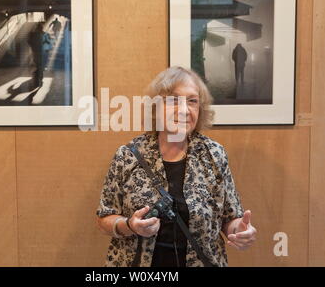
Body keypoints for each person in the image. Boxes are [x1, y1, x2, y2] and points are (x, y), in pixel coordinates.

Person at [96, 66, 256, 267]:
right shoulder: (128, 155)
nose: (184, 109)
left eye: (192, 101)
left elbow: (229, 218)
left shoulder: (214, 155)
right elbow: (104, 219)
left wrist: (239, 231)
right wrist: (130, 226)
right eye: (173, 101)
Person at [28, 22, 52, 88]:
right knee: (41, 66)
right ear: (42, 28)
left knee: (38, 66)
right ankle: (39, 79)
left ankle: (38, 78)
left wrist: (33, 48)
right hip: (43, 53)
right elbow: (49, 43)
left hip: (36, 53)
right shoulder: (46, 34)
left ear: (37, 27)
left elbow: (29, 42)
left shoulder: (33, 35)